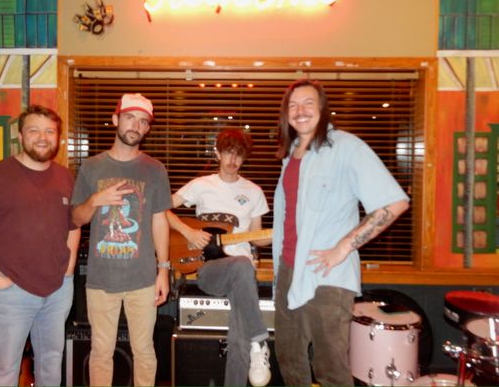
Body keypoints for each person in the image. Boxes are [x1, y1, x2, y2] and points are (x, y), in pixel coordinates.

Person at [272, 79, 410, 386]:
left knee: (330, 370)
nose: (300, 111)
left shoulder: (347, 147)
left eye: (308, 103)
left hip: (328, 276)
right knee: (289, 361)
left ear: (323, 109)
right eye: (293, 105)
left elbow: (395, 203)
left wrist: (344, 247)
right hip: (288, 271)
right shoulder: (291, 154)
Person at [0, 105, 80, 386]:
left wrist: (69, 270)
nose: (42, 137)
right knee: (5, 371)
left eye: (49, 131)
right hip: (12, 293)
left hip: (58, 291)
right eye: (34, 130)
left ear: (58, 137)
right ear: (21, 136)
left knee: (51, 364)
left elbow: (73, 225)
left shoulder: (65, 177)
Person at [71, 93, 171, 386]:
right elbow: (77, 218)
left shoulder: (155, 169)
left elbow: (160, 220)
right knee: (101, 353)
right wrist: (95, 200)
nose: (136, 126)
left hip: (143, 279)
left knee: (145, 351)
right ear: (115, 120)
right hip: (101, 279)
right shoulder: (91, 167)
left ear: (147, 128)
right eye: (130, 118)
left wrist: (163, 270)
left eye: (143, 121)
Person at [167, 128, 272, 387]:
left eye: (239, 155)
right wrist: (188, 232)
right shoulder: (201, 185)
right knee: (243, 265)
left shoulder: (254, 191)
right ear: (217, 153)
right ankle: (260, 341)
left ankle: (254, 351)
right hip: (209, 269)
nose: (233, 160)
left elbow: (257, 237)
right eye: (228, 153)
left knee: (238, 337)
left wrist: (282, 234)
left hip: (242, 274)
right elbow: (161, 208)